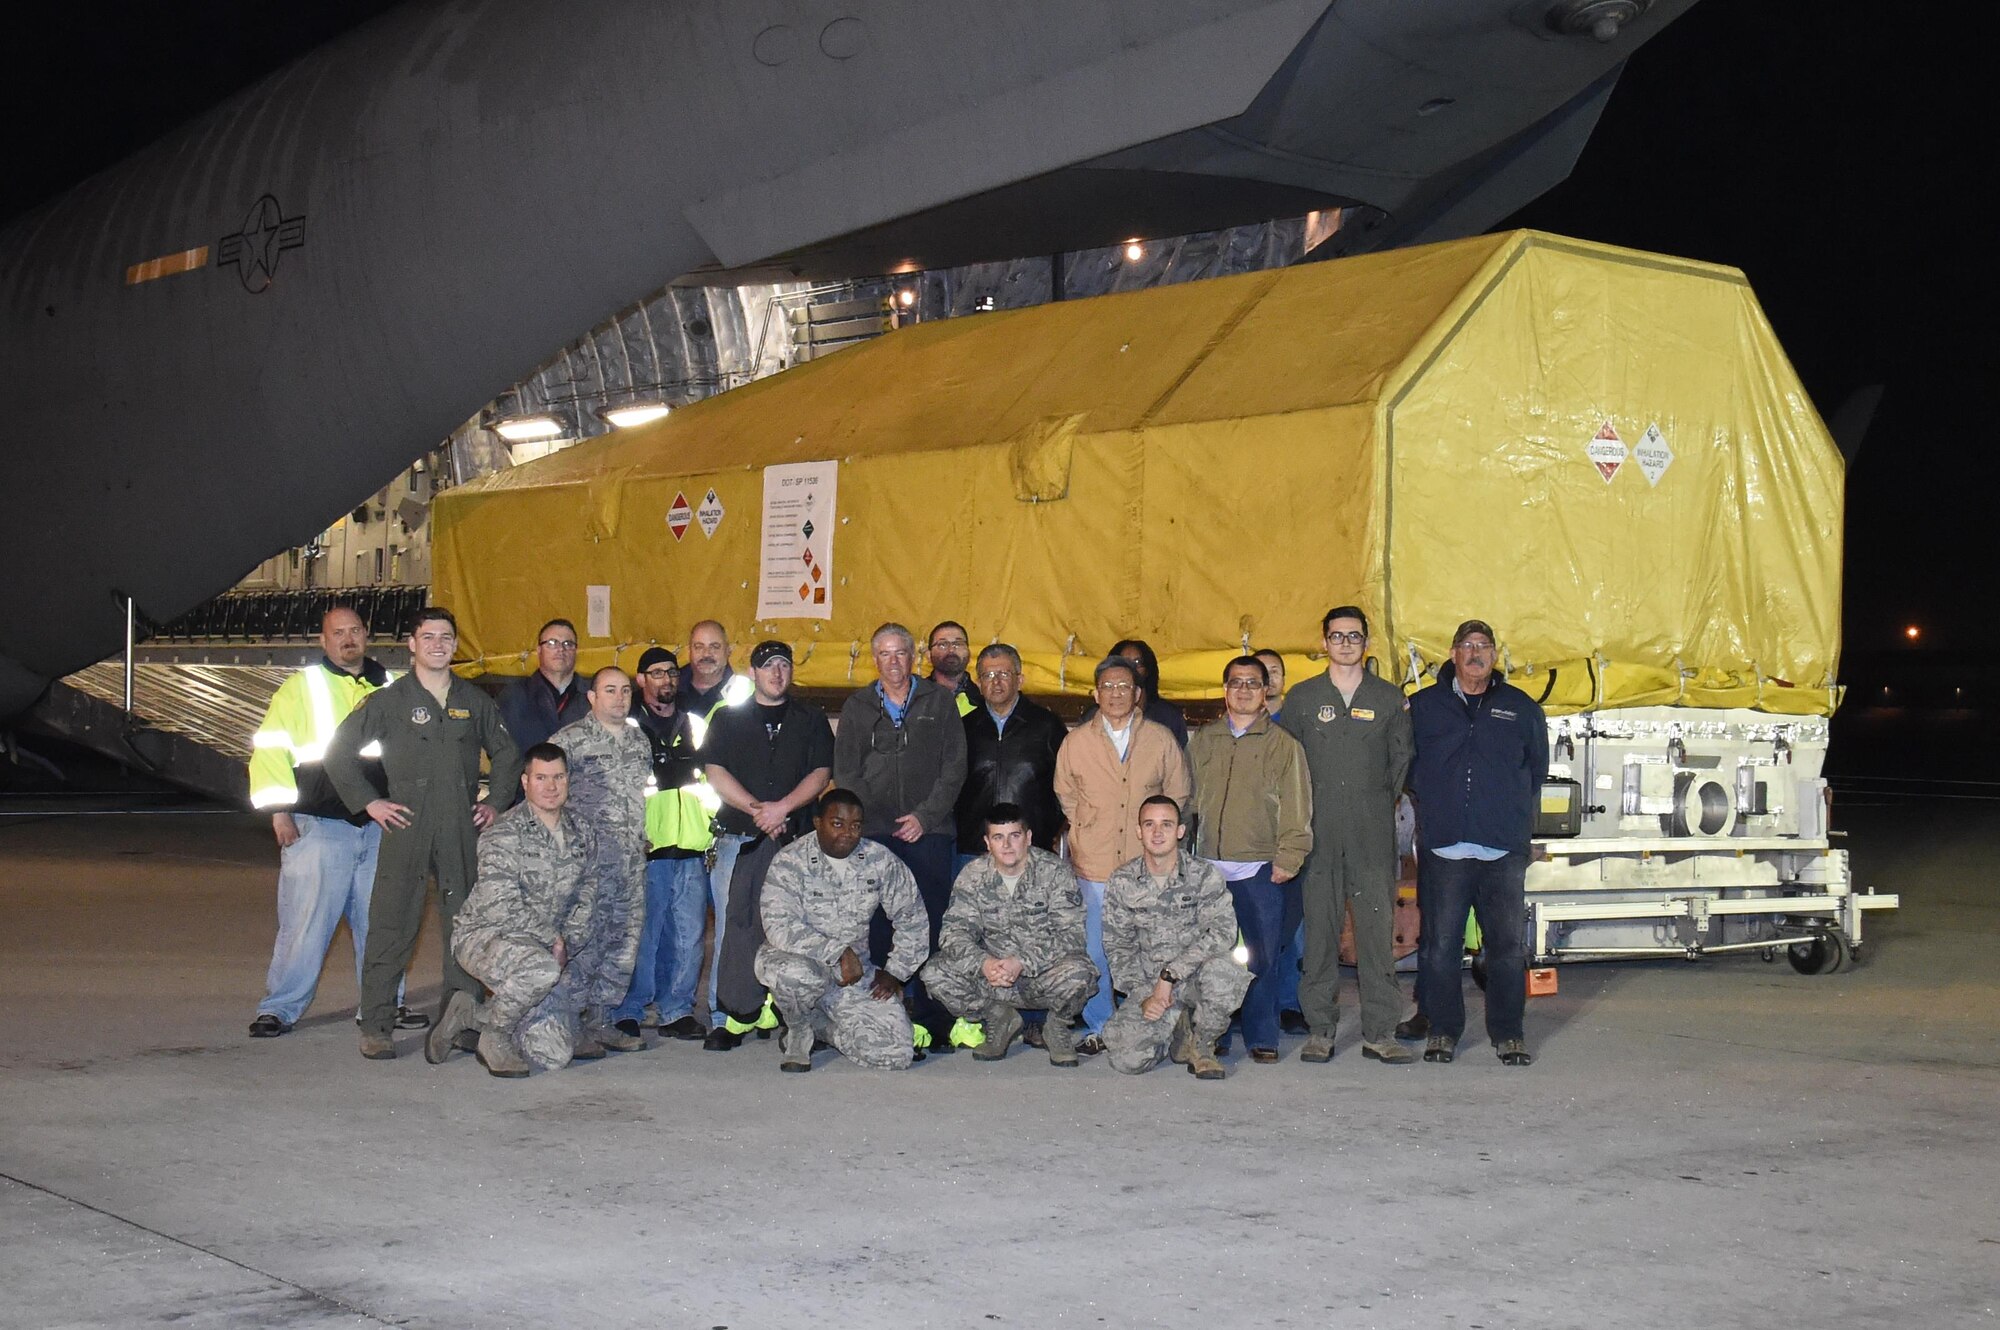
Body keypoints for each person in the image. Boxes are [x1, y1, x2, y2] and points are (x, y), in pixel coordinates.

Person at [324, 607, 523, 1061]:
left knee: (466, 927)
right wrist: (370, 802)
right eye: (428, 636)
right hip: (407, 824)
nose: (438, 644)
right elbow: (338, 751)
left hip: (460, 825)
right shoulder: (389, 701)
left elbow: (507, 753)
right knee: (392, 922)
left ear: (455, 645)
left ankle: (462, 1018)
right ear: (412, 644)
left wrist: (494, 803)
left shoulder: (474, 702)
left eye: (446, 637)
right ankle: (376, 1025)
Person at [246, 606, 427, 1037]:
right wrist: (280, 813)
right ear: (324, 641)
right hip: (320, 826)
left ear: (367, 635)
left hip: (382, 829)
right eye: (338, 633)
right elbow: (271, 749)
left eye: (355, 631)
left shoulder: (395, 687)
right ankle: (280, 1008)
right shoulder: (299, 689)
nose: (348, 639)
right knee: (305, 924)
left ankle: (384, 1004)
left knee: (383, 922)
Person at [1277, 606, 1416, 1066]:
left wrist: (1374, 804)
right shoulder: (1301, 698)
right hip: (1318, 836)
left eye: (1354, 636)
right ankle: (1321, 1029)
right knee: (1319, 935)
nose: (1345, 644)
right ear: (1324, 642)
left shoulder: (1389, 698)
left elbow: (1400, 764)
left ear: (1366, 643)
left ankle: (1380, 1031)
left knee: (1377, 934)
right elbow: (1288, 765)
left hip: (1372, 835)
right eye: (1336, 636)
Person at [1409, 619, 1548, 1068]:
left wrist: (1506, 818)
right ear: (1452, 654)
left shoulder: (1521, 708)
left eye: (1484, 646)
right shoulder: (1423, 707)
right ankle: (1443, 1031)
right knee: (1440, 947)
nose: (1475, 653)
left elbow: (1536, 770)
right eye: (1467, 646)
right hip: (1445, 848)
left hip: (1501, 850)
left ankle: (1509, 1033)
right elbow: (1406, 767)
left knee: (1506, 948)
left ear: (1495, 654)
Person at [834, 622, 968, 1054]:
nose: (893, 663)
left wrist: (924, 818)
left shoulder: (940, 703)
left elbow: (954, 768)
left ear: (915, 657)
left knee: (928, 923)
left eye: (901, 654)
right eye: (885, 655)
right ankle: (881, 1014)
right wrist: (874, 822)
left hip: (928, 834)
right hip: (875, 835)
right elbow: (846, 772)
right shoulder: (856, 707)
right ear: (875, 660)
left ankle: (931, 1015)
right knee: (876, 926)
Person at [1053, 655, 1190, 1055]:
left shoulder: (1161, 739)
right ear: (1095, 693)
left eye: (1123, 687)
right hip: (1092, 865)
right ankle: (1101, 1025)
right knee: (1095, 950)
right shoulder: (1075, 742)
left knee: (1149, 950)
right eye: (1107, 687)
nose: (1115, 694)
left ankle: (1151, 1025)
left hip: (1145, 868)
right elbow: (1066, 793)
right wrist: (1087, 824)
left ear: (1138, 694)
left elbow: (1178, 794)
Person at [700, 640, 833, 1049]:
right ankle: (729, 1016)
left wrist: (785, 808)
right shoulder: (727, 719)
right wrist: (759, 810)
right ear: (752, 672)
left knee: (792, 929)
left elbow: (821, 771)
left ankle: (788, 1012)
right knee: (733, 925)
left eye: (783, 665)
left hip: (794, 841)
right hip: (739, 837)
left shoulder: (809, 720)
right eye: (768, 666)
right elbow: (714, 770)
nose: (777, 673)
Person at [436, 744, 598, 1077]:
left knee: (554, 1055)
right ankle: (494, 1037)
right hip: (485, 935)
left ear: (569, 780)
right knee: (540, 971)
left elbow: (587, 898)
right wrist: (552, 939)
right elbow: (502, 904)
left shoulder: (582, 832)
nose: (551, 787)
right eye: (541, 778)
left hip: (545, 950)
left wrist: (566, 942)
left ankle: (470, 1016)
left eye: (558, 777)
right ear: (525, 782)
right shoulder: (503, 833)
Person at [1185, 655, 1312, 1063]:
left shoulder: (1284, 746)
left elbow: (1298, 807)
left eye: (1252, 684)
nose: (1244, 690)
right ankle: (1214, 1033)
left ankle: (1262, 1037)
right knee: (1212, 956)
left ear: (1266, 691)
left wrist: (1289, 857)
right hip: (1208, 868)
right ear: (1225, 690)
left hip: (1259, 868)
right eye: (1236, 683)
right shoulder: (1204, 740)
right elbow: (1187, 801)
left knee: (1263, 955)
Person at [755, 790, 931, 1072]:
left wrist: (896, 972)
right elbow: (779, 925)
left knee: (898, 1051)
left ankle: (821, 1029)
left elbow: (912, 917)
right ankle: (799, 1030)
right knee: (795, 975)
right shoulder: (790, 861)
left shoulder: (879, 860)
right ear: (818, 822)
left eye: (856, 825)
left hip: (853, 975)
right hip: (800, 962)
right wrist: (836, 952)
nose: (848, 833)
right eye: (837, 823)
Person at [921, 803, 1097, 1067]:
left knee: (1081, 974)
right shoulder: (973, 875)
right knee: (934, 973)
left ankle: (1057, 1026)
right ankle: (998, 1018)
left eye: (1014, 836)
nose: (1007, 845)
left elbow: (1071, 935)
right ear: (987, 842)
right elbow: (953, 933)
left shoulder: (1054, 872)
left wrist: (1022, 962)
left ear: (1028, 837)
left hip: (1041, 975)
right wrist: (984, 963)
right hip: (992, 979)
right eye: (998, 837)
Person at [1101, 796, 1251, 1079]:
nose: (1157, 833)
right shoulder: (1122, 881)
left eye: (1166, 825)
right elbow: (1117, 947)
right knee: (1127, 1060)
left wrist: (1170, 975)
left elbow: (1222, 932)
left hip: (1195, 978)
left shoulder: (1204, 875)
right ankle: (1175, 1030)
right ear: (1139, 832)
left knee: (1226, 972)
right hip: (1149, 986)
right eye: (1150, 825)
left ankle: (1203, 1044)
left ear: (1180, 831)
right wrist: (1146, 996)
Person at [550, 667, 651, 1055]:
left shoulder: (639, 741)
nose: (619, 697)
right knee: (582, 944)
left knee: (622, 945)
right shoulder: (570, 741)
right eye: (609, 690)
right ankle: (571, 1024)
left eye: (625, 690)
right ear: (591, 697)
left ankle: (602, 1019)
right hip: (588, 868)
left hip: (629, 865)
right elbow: (547, 794)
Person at [613, 646, 710, 1041]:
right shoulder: (627, 727)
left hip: (692, 845)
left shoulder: (697, 723)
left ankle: (675, 1009)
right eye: (656, 673)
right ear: (640, 680)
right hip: (646, 849)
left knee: (688, 936)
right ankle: (629, 1009)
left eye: (671, 672)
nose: (666, 680)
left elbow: (712, 779)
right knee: (641, 934)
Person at [954, 643, 1066, 872]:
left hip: (1032, 849)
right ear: (978, 683)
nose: (996, 682)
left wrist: (1055, 830)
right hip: (975, 850)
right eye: (988, 675)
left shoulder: (1047, 725)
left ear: (1020, 680)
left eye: (1004, 674)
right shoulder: (963, 728)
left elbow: (1069, 785)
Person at [1254, 646, 1305, 1029]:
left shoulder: (1297, 724)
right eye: (1261, 672)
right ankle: (1247, 1003)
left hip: (1288, 841)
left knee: (1292, 930)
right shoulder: (1234, 726)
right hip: (1246, 846)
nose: (1269, 679)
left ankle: (1289, 1003)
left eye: (1275, 672)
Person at [496, 618, 588, 751]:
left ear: (576, 651)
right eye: (552, 643)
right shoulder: (513, 697)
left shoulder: (593, 697)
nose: (561, 649)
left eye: (568, 644)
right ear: (539, 650)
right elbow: (499, 750)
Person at [1109, 637, 1188, 748]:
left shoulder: (1168, 716)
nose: (1132, 668)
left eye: (1138, 662)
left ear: (1147, 669)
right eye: (1124, 662)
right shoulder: (1095, 716)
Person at [675, 619, 738, 715]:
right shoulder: (670, 687)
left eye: (715, 646)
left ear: (728, 651)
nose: (706, 654)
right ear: (689, 651)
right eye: (699, 647)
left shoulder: (743, 692)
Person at [925, 620, 979, 716]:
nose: (951, 650)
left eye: (958, 644)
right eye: (943, 644)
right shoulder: (914, 698)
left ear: (969, 653)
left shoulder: (983, 699)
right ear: (929, 655)